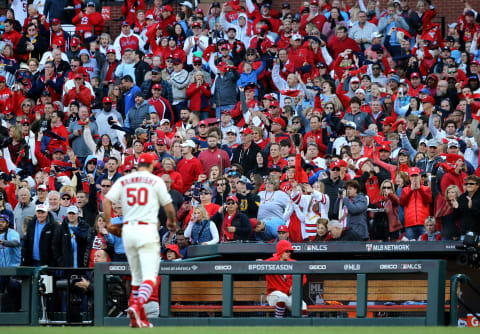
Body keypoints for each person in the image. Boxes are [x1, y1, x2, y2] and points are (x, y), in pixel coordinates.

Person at [104, 152, 176, 328]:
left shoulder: (124, 180)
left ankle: (139, 318)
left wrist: (108, 223)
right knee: (150, 276)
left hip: (128, 230)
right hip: (146, 228)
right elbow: (169, 207)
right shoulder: (156, 180)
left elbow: (106, 201)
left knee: (137, 277)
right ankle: (137, 305)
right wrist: (172, 223)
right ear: (151, 166)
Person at [264, 240, 307, 318]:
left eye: (290, 251)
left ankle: (302, 327)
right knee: (282, 297)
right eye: (287, 251)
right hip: (273, 295)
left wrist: (295, 286)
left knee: (303, 305)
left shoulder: (293, 262)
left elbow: (303, 277)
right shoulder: (270, 262)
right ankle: (278, 321)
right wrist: (259, 262)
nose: (289, 253)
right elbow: (258, 266)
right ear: (281, 251)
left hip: (289, 295)